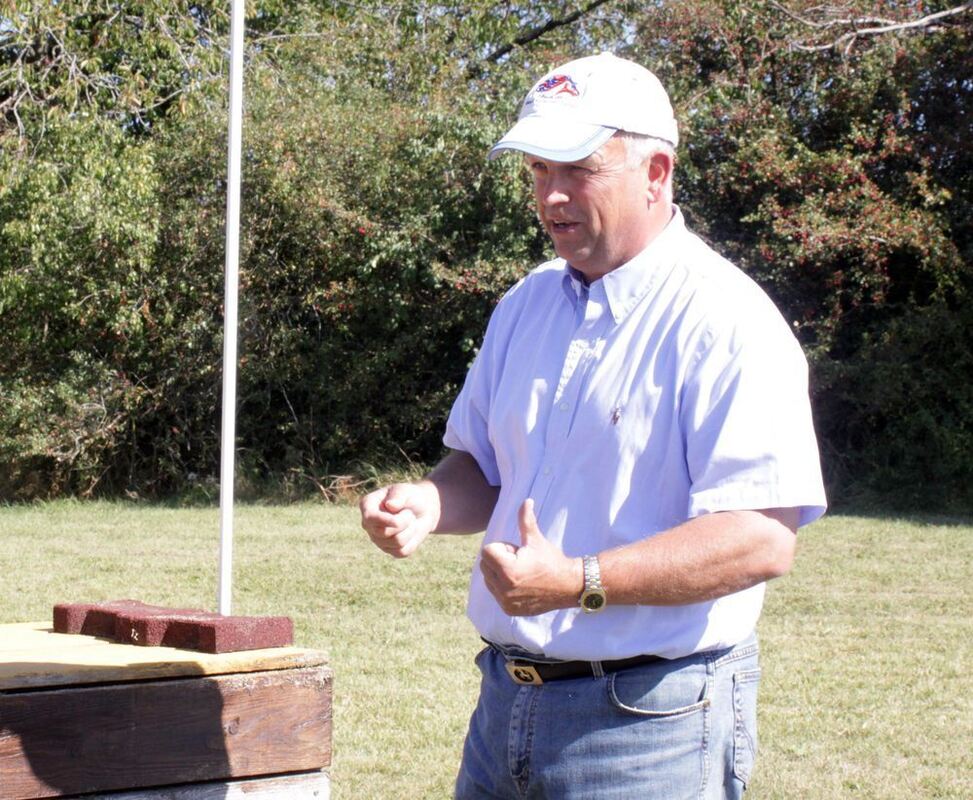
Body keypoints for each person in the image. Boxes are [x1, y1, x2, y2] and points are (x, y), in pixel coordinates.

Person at [360, 52, 826, 800]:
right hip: (504, 706)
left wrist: (579, 583)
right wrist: (427, 501)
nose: (551, 195)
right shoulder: (526, 304)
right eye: (539, 170)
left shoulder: (726, 320)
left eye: (578, 167)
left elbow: (762, 536)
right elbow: (482, 469)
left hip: (651, 727)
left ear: (657, 172)